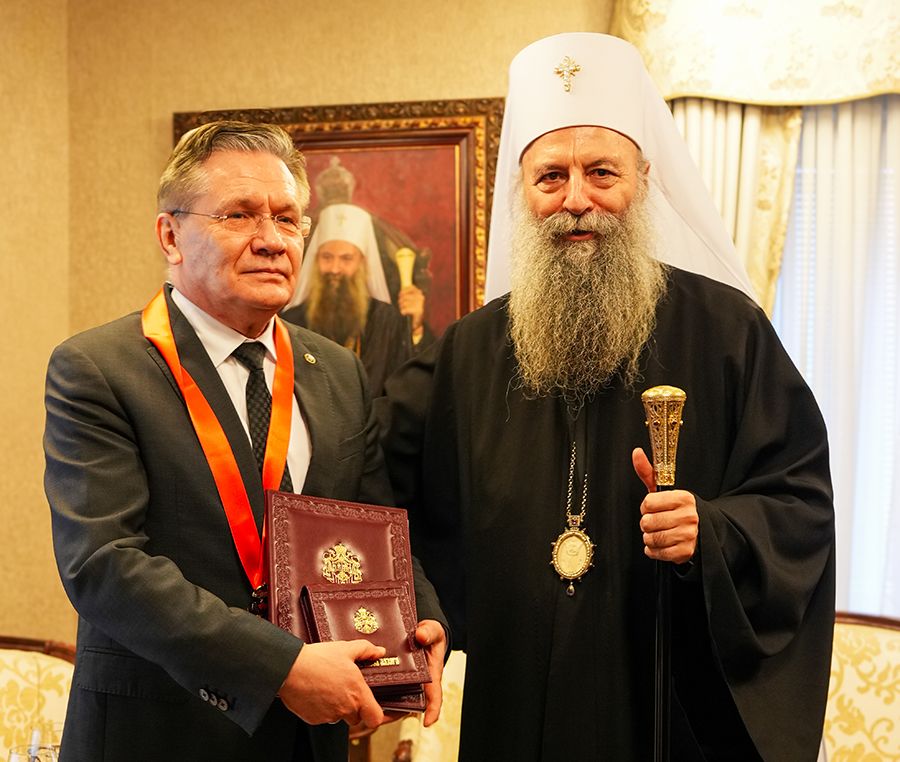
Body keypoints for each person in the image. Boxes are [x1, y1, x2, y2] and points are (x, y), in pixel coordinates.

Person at [378, 33, 835, 761]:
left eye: (601, 173)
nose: (576, 200)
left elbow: (799, 505)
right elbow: (378, 491)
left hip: (663, 712)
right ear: (522, 192)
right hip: (515, 708)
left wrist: (712, 531)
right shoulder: (469, 351)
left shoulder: (728, 333)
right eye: (550, 177)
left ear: (643, 180)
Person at [43, 121, 447, 762]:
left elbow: (373, 525)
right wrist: (282, 668)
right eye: (239, 215)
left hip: (308, 741)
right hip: (161, 734)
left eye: (287, 219)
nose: (272, 240)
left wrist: (421, 621)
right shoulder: (98, 368)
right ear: (170, 236)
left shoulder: (337, 371)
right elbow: (104, 565)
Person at [281, 203, 411, 396]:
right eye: (327, 257)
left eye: (346, 259)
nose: (335, 269)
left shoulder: (387, 321)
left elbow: (402, 390)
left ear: (362, 263)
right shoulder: (291, 322)